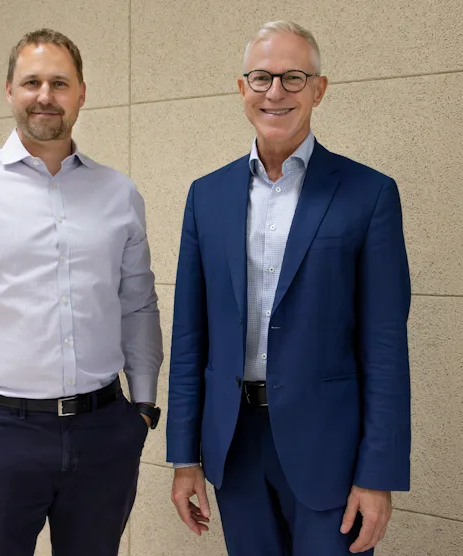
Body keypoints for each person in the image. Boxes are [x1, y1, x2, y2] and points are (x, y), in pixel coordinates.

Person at [0, 28, 163, 556]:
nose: (45, 95)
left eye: (59, 83)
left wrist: (143, 407)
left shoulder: (118, 193)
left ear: (81, 93)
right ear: (9, 91)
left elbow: (137, 303)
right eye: (32, 82)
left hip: (102, 431)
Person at [166, 20, 412, 555]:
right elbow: (190, 336)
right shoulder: (206, 197)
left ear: (318, 90)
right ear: (241, 88)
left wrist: (378, 474)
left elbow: (386, 345)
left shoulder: (368, 195)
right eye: (261, 78)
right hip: (234, 446)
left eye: (293, 78)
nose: (275, 92)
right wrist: (185, 459)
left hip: (332, 452)